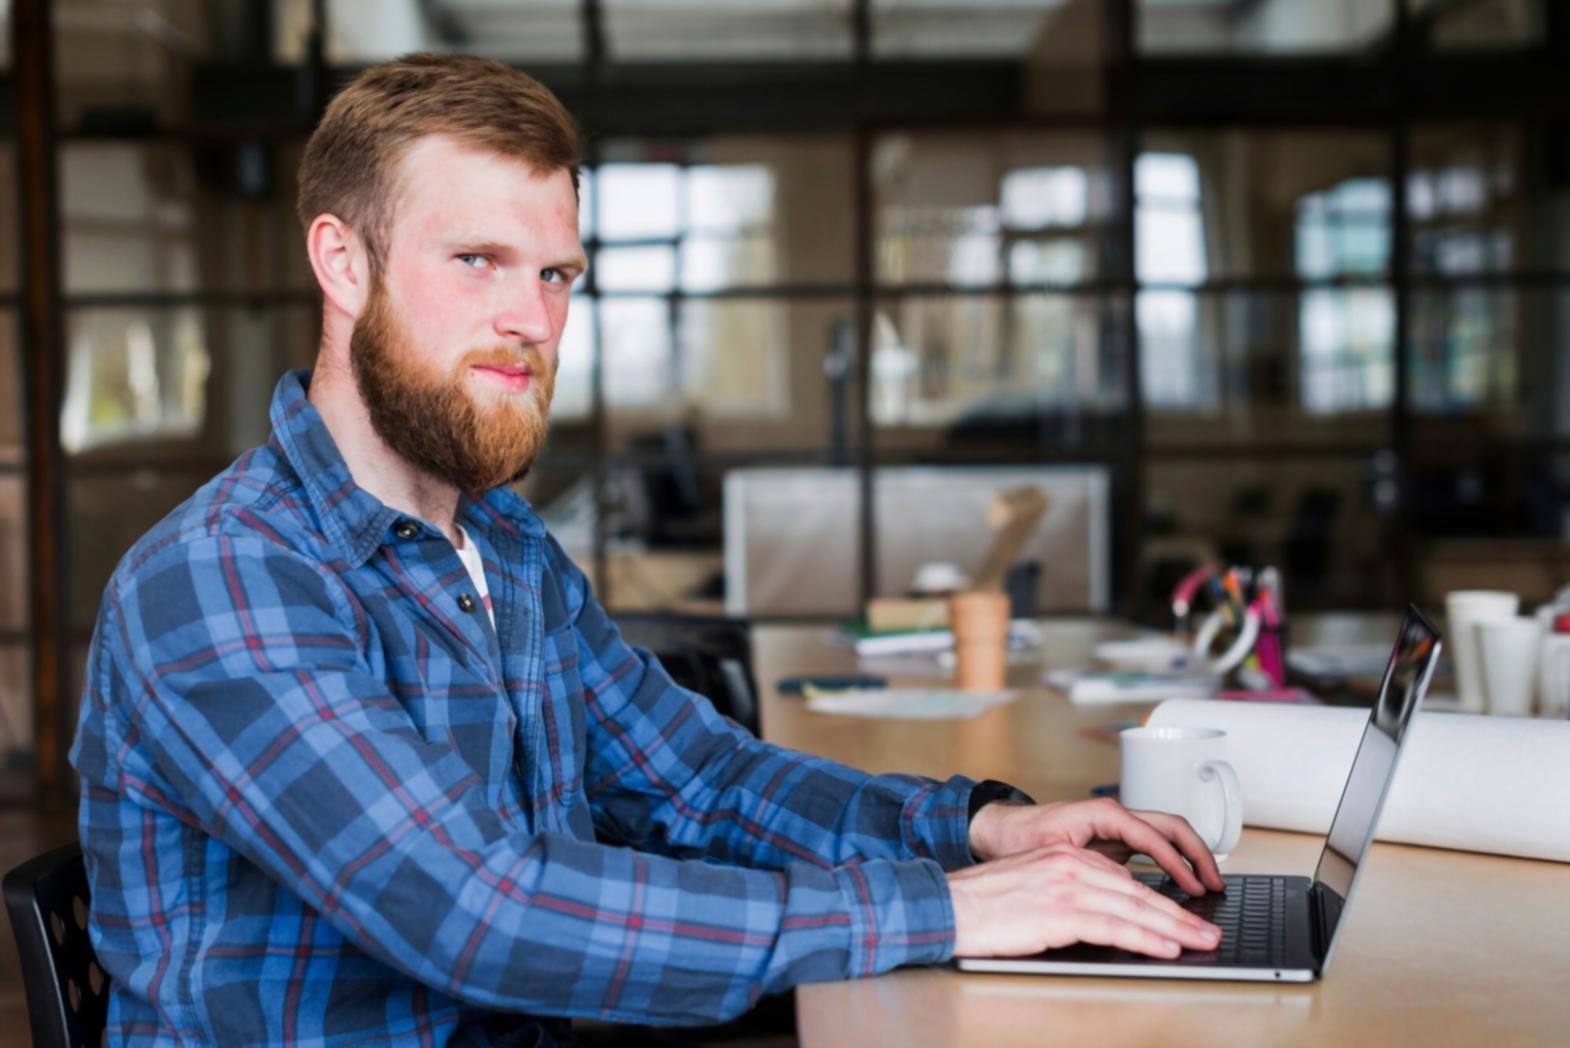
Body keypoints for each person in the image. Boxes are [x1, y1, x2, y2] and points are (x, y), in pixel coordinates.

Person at [70, 54, 1223, 1046]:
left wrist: (981, 829)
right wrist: (955, 908)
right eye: (476, 258)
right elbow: (482, 914)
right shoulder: (221, 580)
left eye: (556, 272)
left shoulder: (504, 549)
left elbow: (700, 779)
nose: (532, 316)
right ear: (344, 264)